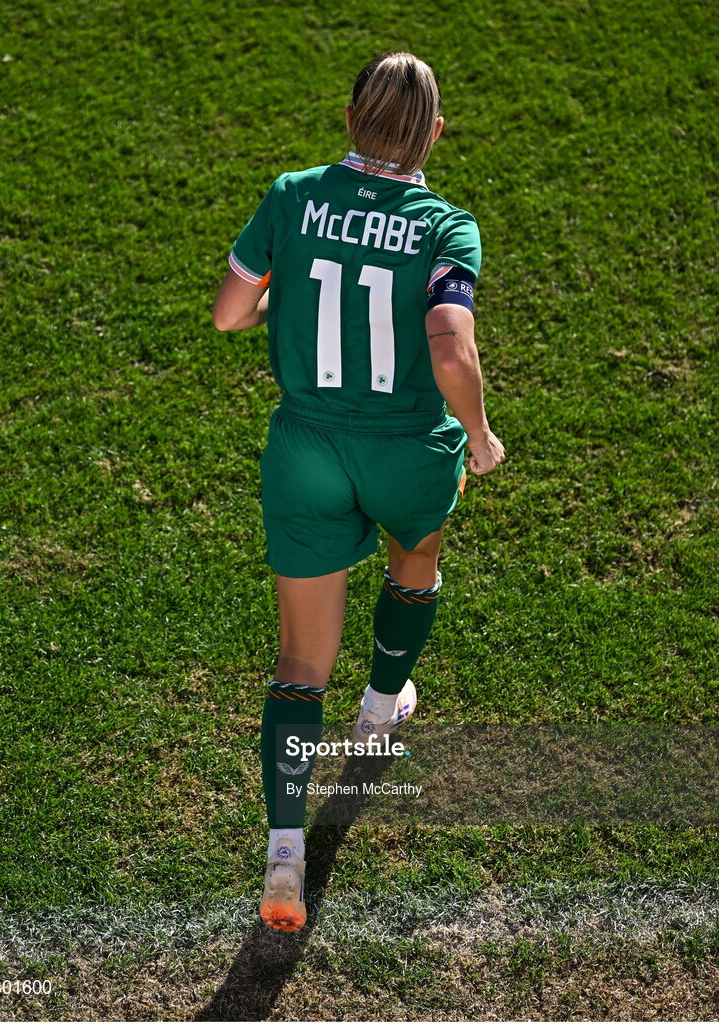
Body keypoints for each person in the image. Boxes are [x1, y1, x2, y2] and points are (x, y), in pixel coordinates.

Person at [212, 52, 505, 932]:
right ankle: (381, 706)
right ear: (434, 136)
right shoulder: (446, 227)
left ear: (348, 120)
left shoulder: (292, 193)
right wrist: (482, 437)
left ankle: (284, 855)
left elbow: (230, 311)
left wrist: (279, 310)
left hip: (306, 449)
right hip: (408, 449)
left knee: (299, 665)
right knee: (413, 560)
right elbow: (450, 348)